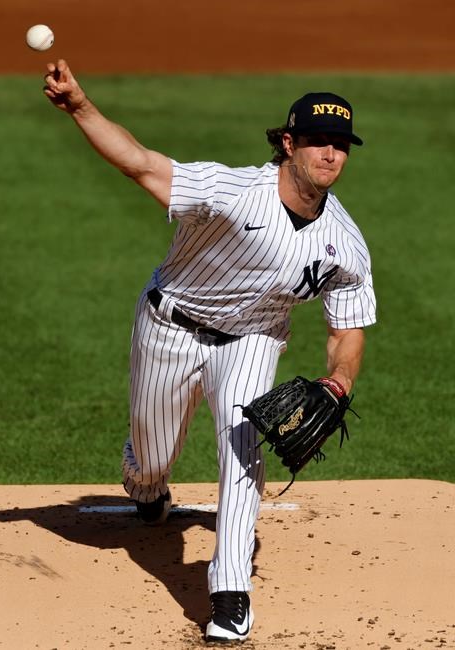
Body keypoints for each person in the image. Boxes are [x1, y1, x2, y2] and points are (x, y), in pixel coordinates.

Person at [44, 60, 376, 644]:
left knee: (243, 446)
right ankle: (146, 485)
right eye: (319, 141)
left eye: (341, 145)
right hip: (170, 324)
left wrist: (339, 382)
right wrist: (79, 107)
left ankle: (230, 594)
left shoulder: (344, 243)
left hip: (253, 339)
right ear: (289, 143)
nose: (331, 154)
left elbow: (348, 328)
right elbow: (141, 163)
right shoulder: (234, 192)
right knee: (152, 456)